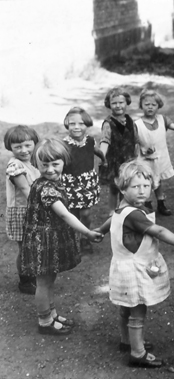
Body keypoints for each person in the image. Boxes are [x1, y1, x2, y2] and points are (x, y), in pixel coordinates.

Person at [92, 159, 174, 368]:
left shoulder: (122, 208)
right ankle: (137, 353)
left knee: (126, 308)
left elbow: (112, 220)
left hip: (122, 266)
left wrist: (100, 231)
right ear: (123, 188)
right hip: (135, 269)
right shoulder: (134, 214)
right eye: (135, 187)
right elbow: (158, 231)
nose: (142, 191)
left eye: (146, 186)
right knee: (138, 310)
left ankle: (127, 341)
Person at [20, 138, 103, 335]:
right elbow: (65, 214)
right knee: (43, 282)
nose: (50, 169)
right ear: (36, 164)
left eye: (55, 164)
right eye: (44, 165)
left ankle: (51, 313)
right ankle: (45, 321)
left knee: (50, 279)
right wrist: (87, 232)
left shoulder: (49, 182)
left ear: (64, 162)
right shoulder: (47, 188)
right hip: (43, 241)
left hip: (49, 239)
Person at [135, 89, 174, 216]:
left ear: (158, 106)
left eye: (153, 105)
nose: (150, 107)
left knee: (158, 180)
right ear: (141, 106)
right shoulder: (137, 124)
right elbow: (134, 141)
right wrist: (143, 148)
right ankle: (147, 204)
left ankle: (161, 203)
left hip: (160, 157)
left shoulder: (162, 119)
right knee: (146, 180)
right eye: (146, 104)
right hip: (145, 158)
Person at [61, 107, 105, 254]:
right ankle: (72, 240)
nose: (77, 127)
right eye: (72, 124)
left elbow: (97, 151)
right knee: (72, 214)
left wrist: (104, 160)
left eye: (81, 123)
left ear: (87, 124)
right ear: (67, 124)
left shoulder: (90, 141)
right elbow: (55, 161)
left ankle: (85, 236)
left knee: (85, 214)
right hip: (70, 184)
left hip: (86, 183)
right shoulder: (63, 145)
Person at [4, 125, 41, 294]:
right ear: (10, 147)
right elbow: (26, 190)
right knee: (25, 247)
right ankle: (25, 281)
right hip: (22, 212)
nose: (23, 150)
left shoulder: (29, 163)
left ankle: (31, 273)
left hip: (31, 210)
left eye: (28, 145)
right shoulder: (15, 166)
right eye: (17, 147)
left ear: (34, 143)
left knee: (32, 246)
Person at [99, 87, 138, 215]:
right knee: (114, 188)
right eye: (114, 103)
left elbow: (135, 139)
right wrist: (102, 156)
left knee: (126, 186)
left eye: (121, 102)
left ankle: (123, 208)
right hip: (114, 160)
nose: (118, 106)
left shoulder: (130, 120)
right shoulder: (108, 123)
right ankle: (112, 211)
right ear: (109, 105)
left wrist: (139, 153)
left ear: (126, 103)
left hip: (129, 160)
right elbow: (105, 141)